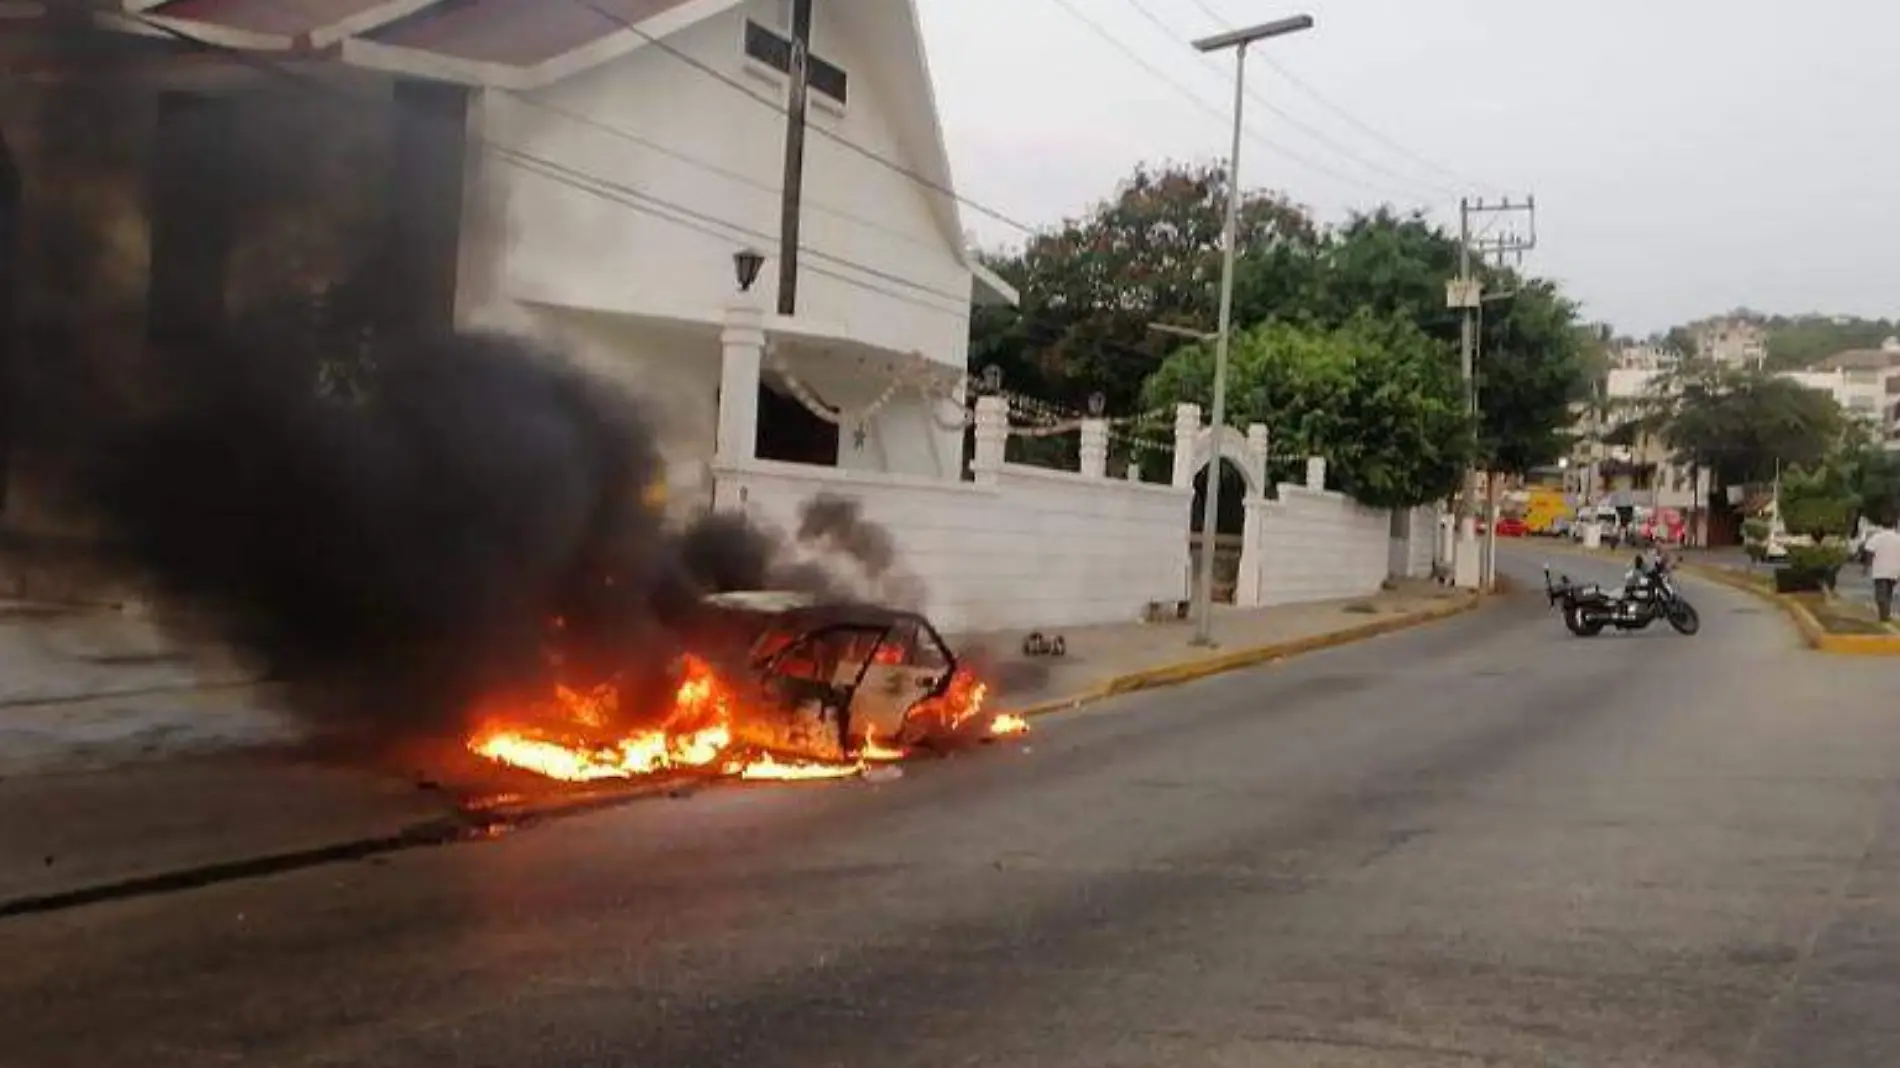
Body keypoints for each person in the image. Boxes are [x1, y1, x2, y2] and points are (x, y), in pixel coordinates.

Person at [1852, 519, 1900, 623]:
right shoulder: (1898, 538)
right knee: (1888, 593)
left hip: (1880, 570)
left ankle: (1884, 616)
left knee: (1880, 595)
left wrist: (1866, 568)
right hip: (1895, 571)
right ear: (1894, 525)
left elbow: (1869, 552)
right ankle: (1885, 614)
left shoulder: (1877, 537)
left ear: (1882, 525)